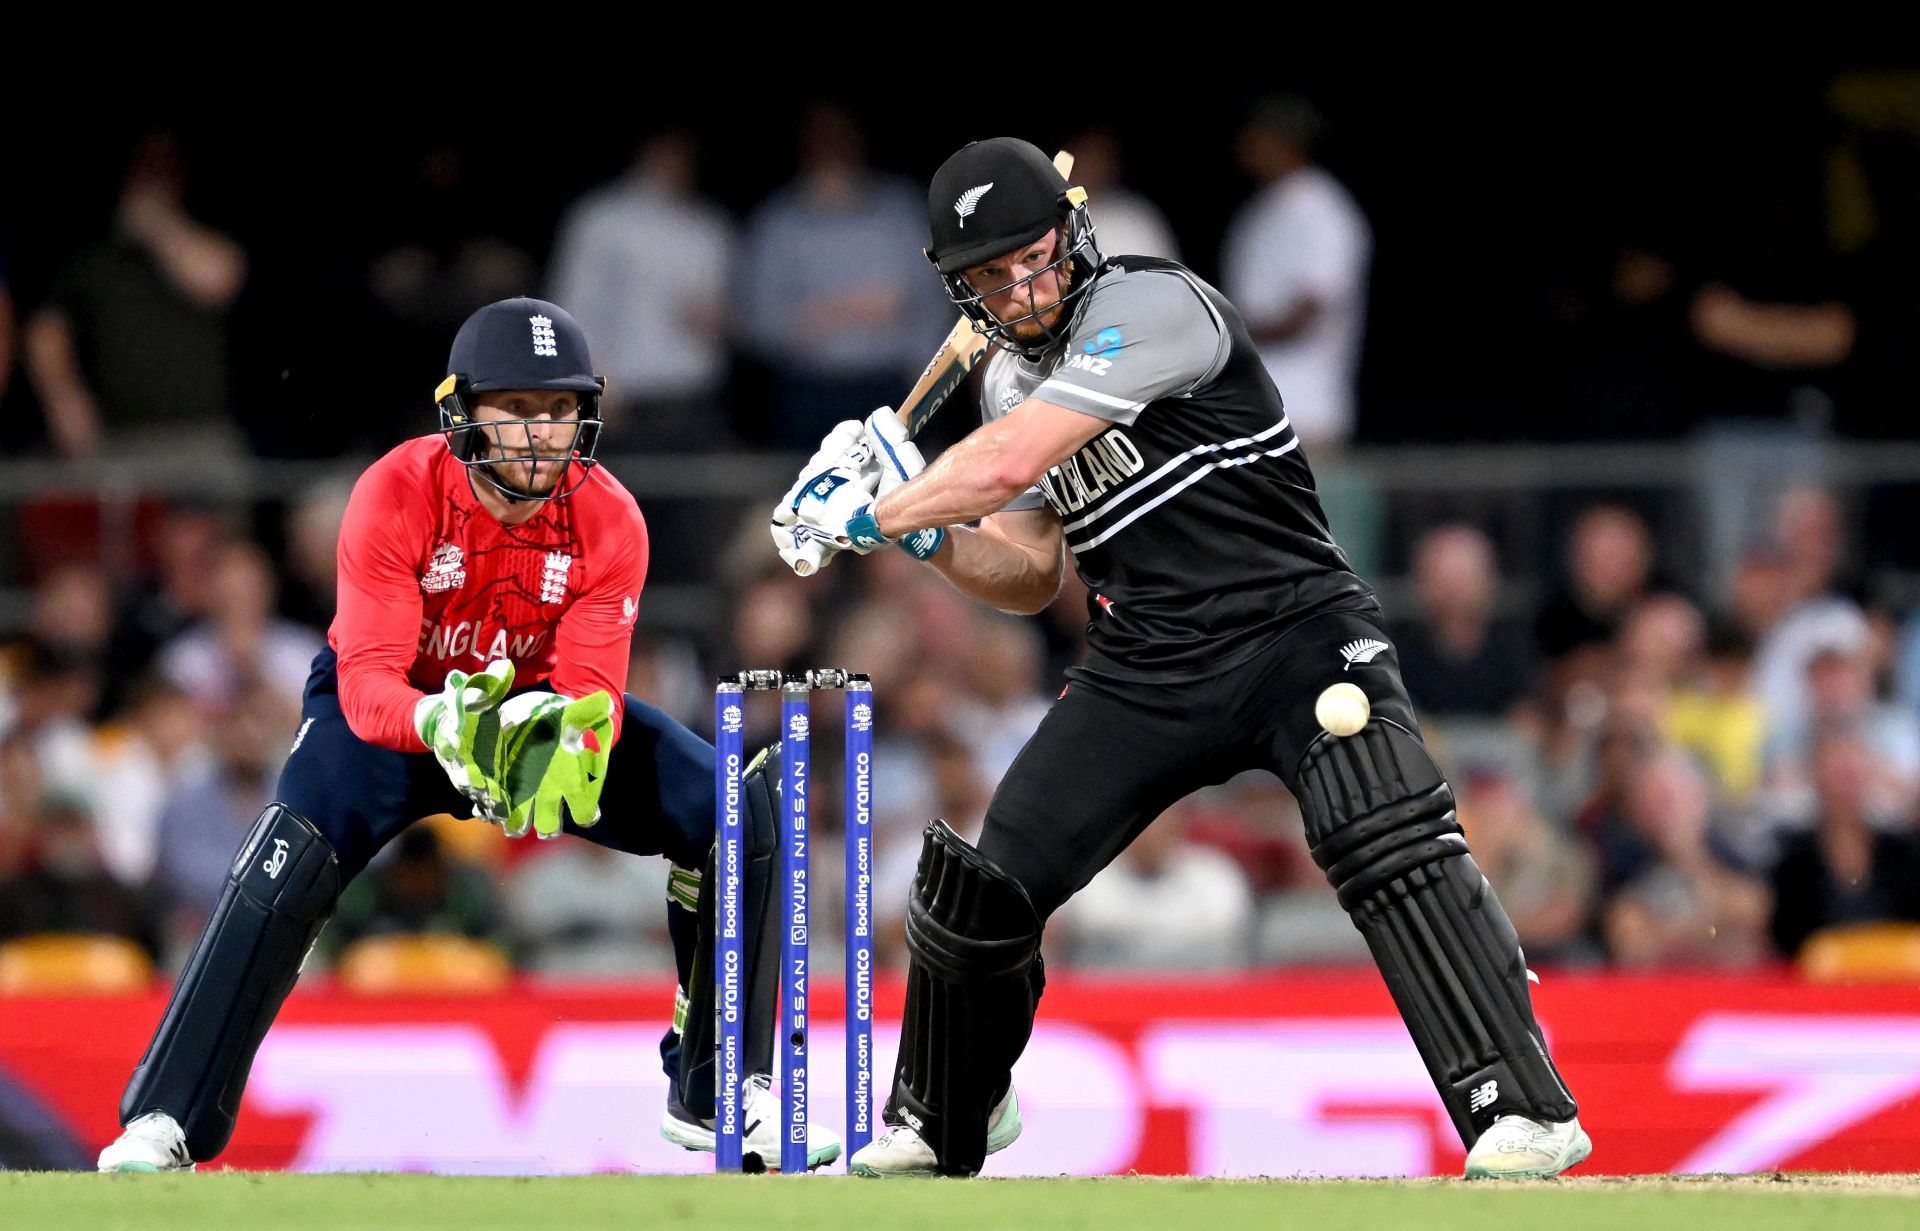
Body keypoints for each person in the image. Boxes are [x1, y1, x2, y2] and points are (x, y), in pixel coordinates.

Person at [772, 138, 1590, 1179]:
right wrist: (920, 535)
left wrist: (882, 501)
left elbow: (1021, 455)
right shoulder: (1003, 382)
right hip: (1146, 658)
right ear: (963, 286)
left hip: (1294, 626)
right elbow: (1027, 574)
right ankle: (948, 1106)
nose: (1023, 284)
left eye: (1036, 255)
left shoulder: (1153, 308)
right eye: (993, 274)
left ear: (1072, 235)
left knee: (1383, 831)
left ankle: (1524, 1109)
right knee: (987, 876)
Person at [97, 298, 836, 1173]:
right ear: (464, 411)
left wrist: (558, 748)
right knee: (282, 858)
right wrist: (445, 723)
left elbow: (591, 697)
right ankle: (164, 1120)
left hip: (533, 715)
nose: (540, 434)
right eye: (517, 410)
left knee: (737, 813)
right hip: (403, 712)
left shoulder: (611, 518)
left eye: (559, 410)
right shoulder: (396, 490)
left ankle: (720, 1094)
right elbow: (367, 684)